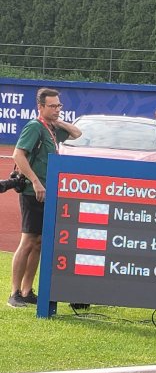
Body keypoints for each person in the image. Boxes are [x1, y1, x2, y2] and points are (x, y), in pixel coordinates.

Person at [8, 87, 81, 308]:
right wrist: (35, 181)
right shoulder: (34, 127)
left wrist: (57, 121)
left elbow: (77, 133)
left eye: (59, 105)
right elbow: (18, 154)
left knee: (39, 242)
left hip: (46, 193)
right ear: (40, 107)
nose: (57, 109)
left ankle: (27, 291)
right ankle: (14, 293)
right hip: (33, 193)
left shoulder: (51, 128)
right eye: (52, 106)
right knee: (28, 241)